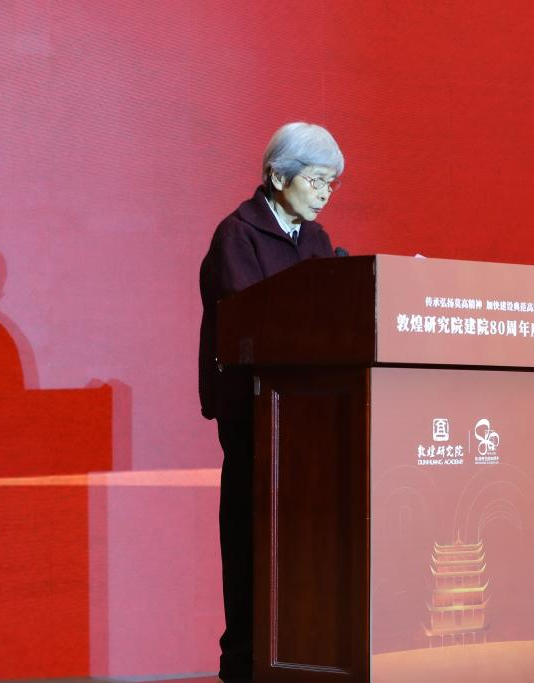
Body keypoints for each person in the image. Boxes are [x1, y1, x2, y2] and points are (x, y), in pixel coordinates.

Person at [198, 122, 344, 683]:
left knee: (302, 541)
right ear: (279, 177)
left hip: (310, 415)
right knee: (250, 536)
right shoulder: (238, 235)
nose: (325, 193)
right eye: (316, 180)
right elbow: (253, 318)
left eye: (331, 183)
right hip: (255, 412)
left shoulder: (317, 241)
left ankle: (299, 653)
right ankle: (243, 662)